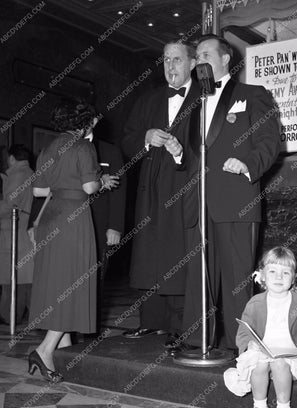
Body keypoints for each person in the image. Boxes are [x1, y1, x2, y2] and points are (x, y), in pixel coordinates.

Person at [181, 34, 280, 351]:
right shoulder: (195, 104)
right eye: (196, 56)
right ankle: (199, 342)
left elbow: (269, 141)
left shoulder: (253, 94)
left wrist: (248, 164)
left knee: (238, 280)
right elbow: (192, 151)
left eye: (205, 54)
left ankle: (246, 349)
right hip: (200, 203)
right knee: (200, 278)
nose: (199, 61)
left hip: (236, 199)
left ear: (226, 59)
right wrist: (175, 151)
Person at [28, 97, 118, 383]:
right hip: (73, 218)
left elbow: (40, 192)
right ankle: (44, 351)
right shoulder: (83, 146)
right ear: (85, 122)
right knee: (73, 284)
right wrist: (103, 180)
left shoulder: (48, 148)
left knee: (58, 283)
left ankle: (63, 355)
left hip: (52, 215)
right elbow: (90, 187)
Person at [121, 39, 200, 349]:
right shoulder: (149, 99)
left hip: (185, 186)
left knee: (178, 253)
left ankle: (181, 327)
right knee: (148, 254)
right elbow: (126, 138)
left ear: (192, 63)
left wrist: (184, 154)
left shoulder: (206, 98)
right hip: (151, 188)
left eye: (177, 59)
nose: (170, 66)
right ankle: (150, 322)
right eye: (166, 60)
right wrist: (146, 137)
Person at [224, 246, 297, 408]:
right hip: (263, 350)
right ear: (262, 276)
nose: (279, 277)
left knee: (279, 364)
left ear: (293, 278)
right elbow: (244, 333)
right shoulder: (255, 303)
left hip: (289, 353)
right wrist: (250, 344)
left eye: (285, 272)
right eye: (273, 271)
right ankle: (259, 406)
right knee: (259, 364)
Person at [85, 116, 126, 327]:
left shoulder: (110, 151)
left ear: (93, 121)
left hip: (99, 225)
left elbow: (119, 192)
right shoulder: (62, 149)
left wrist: (115, 226)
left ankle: (90, 331)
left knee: (95, 280)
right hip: (65, 224)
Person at [0, 145, 34, 325]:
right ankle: (13, 314)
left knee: (13, 276)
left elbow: (10, 204)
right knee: (21, 276)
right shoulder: (28, 172)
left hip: (13, 230)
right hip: (20, 229)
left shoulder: (18, 174)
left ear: (12, 158)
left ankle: (10, 315)